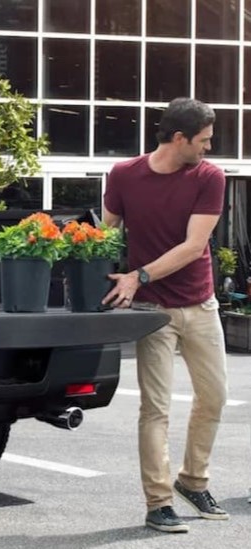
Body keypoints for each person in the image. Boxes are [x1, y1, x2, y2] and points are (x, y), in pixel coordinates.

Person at [102, 97, 229, 534]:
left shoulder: (209, 177)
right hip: (151, 311)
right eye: (204, 141)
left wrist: (138, 274)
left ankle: (192, 480)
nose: (209, 148)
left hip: (200, 303)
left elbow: (195, 246)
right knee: (155, 409)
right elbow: (106, 232)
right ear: (179, 139)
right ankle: (158, 502)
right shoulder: (123, 175)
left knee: (213, 398)